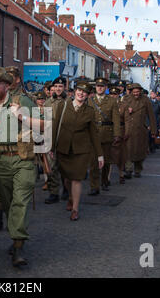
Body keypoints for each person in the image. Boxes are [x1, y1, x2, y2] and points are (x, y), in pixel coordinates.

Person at [0, 67, 43, 267]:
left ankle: (18, 247)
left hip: (22, 160)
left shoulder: (21, 102)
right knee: (8, 205)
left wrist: (22, 117)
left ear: (7, 85)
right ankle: (17, 237)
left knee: (20, 202)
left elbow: (43, 125)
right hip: (0, 162)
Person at [52, 81, 104, 220]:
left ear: (88, 95)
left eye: (85, 92)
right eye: (79, 91)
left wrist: (100, 155)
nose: (81, 94)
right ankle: (70, 196)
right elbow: (55, 127)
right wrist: (51, 147)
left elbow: (94, 134)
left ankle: (75, 208)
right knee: (67, 178)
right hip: (63, 148)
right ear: (74, 92)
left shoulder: (90, 111)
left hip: (81, 150)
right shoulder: (63, 106)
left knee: (77, 178)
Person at [87, 77, 121, 195]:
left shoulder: (111, 101)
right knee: (93, 163)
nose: (99, 88)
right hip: (93, 134)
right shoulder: (89, 100)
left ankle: (105, 181)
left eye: (102, 86)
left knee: (106, 161)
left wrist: (117, 134)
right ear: (95, 87)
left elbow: (116, 119)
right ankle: (94, 186)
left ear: (105, 88)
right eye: (97, 86)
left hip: (107, 134)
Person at [43, 77, 68, 203]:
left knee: (64, 167)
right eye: (56, 86)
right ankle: (53, 192)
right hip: (50, 138)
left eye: (60, 86)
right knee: (51, 168)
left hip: (64, 138)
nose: (58, 89)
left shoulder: (69, 102)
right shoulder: (48, 102)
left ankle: (66, 189)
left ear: (64, 87)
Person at [124, 83, 157, 178]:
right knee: (128, 150)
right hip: (129, 129)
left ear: (140, 91)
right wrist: (127, 110)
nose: (136, 94)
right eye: (134, 92)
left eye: (137, 92)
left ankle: (138, 170)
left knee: (140, 151)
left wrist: (153, 130)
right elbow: (120, 113)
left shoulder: (146, 100)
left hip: (141, 130)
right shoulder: (126, 99)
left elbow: (151, 116)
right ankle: (128, 170)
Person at [109, 87, 129, 184]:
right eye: (111, 94)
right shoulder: (106, 105)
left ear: (118, 95)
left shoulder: (123, 105)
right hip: (108, 131)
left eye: (115, 94)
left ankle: (121, 174)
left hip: (120, 132)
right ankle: (107, 177)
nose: (113, 96)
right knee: (109, 155)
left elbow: (127, 120)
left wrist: (126, 132)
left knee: (120, 156)